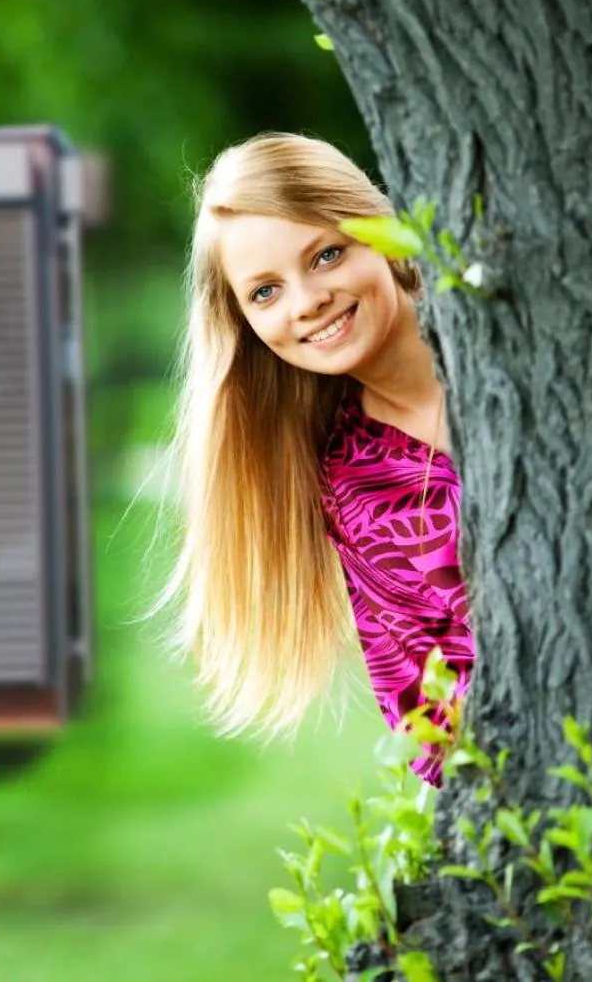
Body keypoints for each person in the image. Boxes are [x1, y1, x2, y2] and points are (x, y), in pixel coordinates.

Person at [163, 131, 473, 785]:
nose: (307, 302)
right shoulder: (357, 486)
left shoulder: (510, 337)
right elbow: (434, 732)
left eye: (327, 255)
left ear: (380, 233)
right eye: (265, 292)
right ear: (245, 324)